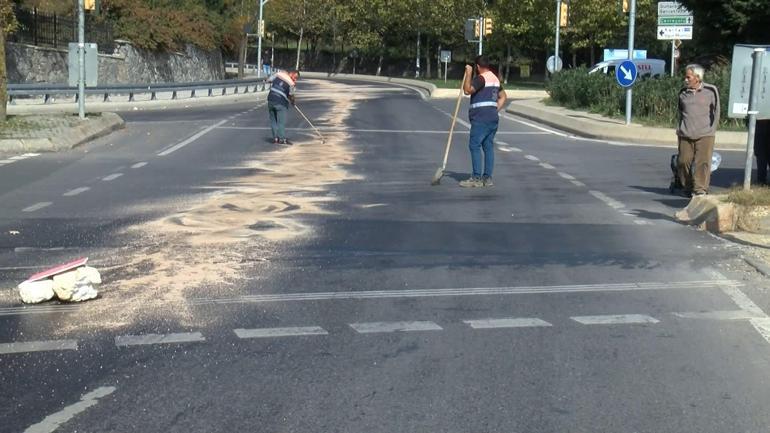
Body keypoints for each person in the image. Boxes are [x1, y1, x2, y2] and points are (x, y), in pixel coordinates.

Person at [459, 55, 507, 188]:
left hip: (481, 119)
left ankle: (476, 178)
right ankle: (487, 178)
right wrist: (494, 109)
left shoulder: (481, 79)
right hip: (492, 118)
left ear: (478, 67)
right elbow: (503, 96)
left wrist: (468, 74)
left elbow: (468, 90)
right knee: (488, 146)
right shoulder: (495, 79)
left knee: (474, 145)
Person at [676, 64, 720, 197]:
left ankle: (700, 189)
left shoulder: (710, 91)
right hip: (686, 133)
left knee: (703, 163)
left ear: (697, 77)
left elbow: (717, 111)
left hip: (705, 134)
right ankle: (688, 186)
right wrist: (679, 129)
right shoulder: (683, 93)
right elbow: (680, 112)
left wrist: (712, 129)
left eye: (688, 77)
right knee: (683, 162)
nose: (685, 79)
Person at [267, 69, 299, 145]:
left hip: (271, 99)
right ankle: (281, 139)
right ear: (291, 73)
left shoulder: (278, 74)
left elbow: (269, 80)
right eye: (295, 77)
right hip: (280, 103)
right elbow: (291, 95)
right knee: (281, 122)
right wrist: (293, 102)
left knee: (273, 121)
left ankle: (275, 138)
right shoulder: (291, 83)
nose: (295, 79)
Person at [754, 119, 770, 185]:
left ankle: (761, 181)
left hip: (760, 127)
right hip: (760, 128)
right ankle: (761, 181)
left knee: (761, 157)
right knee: (761, 158)